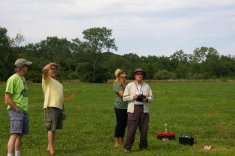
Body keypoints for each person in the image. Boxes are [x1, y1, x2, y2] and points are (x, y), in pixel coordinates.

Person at [5, 58, 32, 156]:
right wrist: (17, 109)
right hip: (16, 110)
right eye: (26, 66)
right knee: (14, 134)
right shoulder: (13, 79)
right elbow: (7, 98)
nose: (28, 67)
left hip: (23, 110)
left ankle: (17, 154)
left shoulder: (23, 78)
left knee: (21, 135)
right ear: (21, 67)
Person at [123, 68, 154, 153]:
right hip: (133, 110)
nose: (140, 75)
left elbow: (152, 98)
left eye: (141, 74)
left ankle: (143, 146)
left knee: (144, 130)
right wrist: (133, 97)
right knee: (131, 129)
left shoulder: (146, 86)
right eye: (138, 74)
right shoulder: (129, 86)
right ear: (134, 75)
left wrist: (147, 99)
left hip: (144, 110)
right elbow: (125, 97)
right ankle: (128, 147)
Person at [42, 63, 66, 154]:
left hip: (58, 107)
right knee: (51, 128)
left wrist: (63, 111)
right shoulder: (47, 80)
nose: (53, 70)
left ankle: (49, 147)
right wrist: (51, 64)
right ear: (48, 71)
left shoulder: (59, 83)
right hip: (50, 106)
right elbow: (44, 70)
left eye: (55, 69)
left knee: (54, 128)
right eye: (51, 69)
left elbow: (61, 98)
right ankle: (51, 149)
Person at [113, 69, 128, 146]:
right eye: (122, 72)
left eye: (124, 71)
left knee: (125, 124)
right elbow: (122, 94)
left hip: (127, 107)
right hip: (120, 107)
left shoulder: (126, 83)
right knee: (120, 124)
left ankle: (122, 139)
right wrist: (132, 94)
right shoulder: (118, 84)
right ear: (118, 75)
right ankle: (117, 141)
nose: (123, 72)